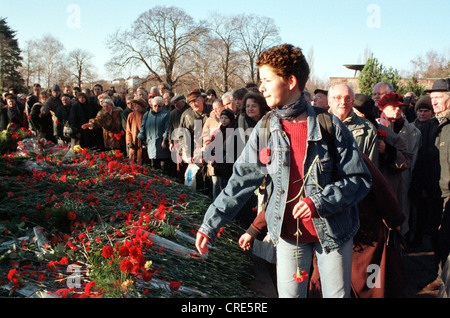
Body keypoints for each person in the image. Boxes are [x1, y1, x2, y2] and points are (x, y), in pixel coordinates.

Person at [195, 43, 372, 298]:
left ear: (290, 81)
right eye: (261, 81)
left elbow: (358, 179)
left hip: (334, 232)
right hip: (289, 235)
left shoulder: (328, 124)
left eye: (267, 80)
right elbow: (240, 181)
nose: (262, 87)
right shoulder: (265, 128)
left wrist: (318, 201)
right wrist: (209, 225)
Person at [308, 153, 406, 298]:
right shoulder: (351, 155)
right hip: (348, 234)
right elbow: (381, 188)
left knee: (367, 281)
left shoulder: (351, 156)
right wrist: (395, 219)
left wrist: (395, 218)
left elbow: (380, 187)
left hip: (359, 235)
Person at [377, 92, 421, 236]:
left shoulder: (413, 131)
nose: (397, 110)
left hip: (404, 177)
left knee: (402, 211)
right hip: (383, 177)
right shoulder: (376, 127)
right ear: (383, 108)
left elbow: (413, 156)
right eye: (393, 107)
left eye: (399, 108)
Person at [422, 78, 450, 297]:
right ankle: (441, 276)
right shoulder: (430, 125)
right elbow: (423, 158)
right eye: (432, 99)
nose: (434, 102)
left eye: (439, 98)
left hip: (449, 194)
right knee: (436, 236)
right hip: (433, 192)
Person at [328, 84, 378, 165]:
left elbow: (371, 166)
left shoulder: (367, 128)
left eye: (347, 98)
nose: (343, 102)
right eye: (338, 98)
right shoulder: (318, 124)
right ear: (329, 102)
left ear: (352, 102)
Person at [138, 96, 171, 174]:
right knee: (154, 166)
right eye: (155, 105)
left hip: (161, 143)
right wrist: (141, 137)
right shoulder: (147, 115)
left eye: (159, 106)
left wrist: (165, 139)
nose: (157, 108)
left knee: (164, 167)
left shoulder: (166, 114)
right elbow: (142, 127)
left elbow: (167, 128)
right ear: (151, 105)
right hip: (151, 142)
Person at [202, 99, 224, 199]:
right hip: (213, 156)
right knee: (215, 182)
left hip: (225, 155)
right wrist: (207, 143)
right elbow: (204, 134)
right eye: (214, 109)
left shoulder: (229, 117)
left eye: (218, 108)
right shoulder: (210, 120)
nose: (216, 111)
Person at [168, 94, 190, 181]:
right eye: (174, 104)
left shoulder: (189, 112)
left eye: (177, 103)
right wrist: (170, 142)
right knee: (179, 166)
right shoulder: (173, 113)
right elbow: (170, 128)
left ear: (183, 101)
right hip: (177, 143)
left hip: (188, 143)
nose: (175, 105)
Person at [126, 97, 147, 165]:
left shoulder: (147, 115)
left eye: (137, 105)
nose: (136, 106)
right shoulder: (131, 115)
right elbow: (128, 131)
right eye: (135, 105)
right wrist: (129, 142)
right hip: (134, 142)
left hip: (144, 142)